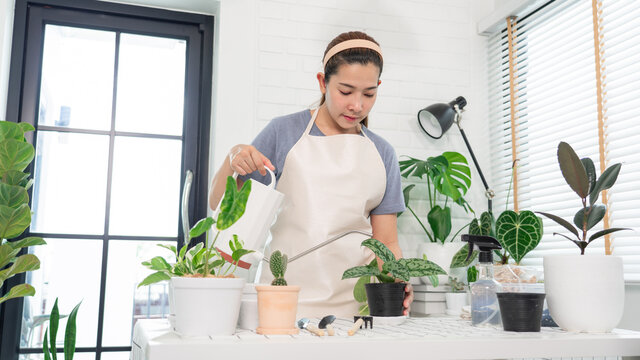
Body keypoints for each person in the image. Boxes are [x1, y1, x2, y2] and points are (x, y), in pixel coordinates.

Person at [209, 31, 413, 318]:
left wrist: (399, 283)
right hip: (283, 300)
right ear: (323, 82)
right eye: (346, 91)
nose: (358, 105)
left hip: (356, 307)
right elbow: (219, 203)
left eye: (369, 93)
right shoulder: (283, 132)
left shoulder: (382, 152)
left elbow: (386, 242)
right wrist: (233, 159)